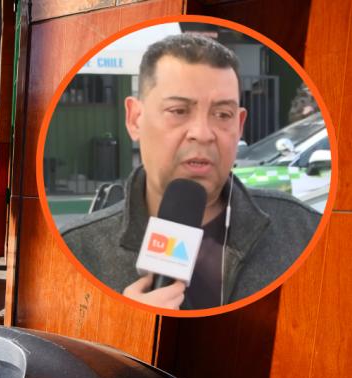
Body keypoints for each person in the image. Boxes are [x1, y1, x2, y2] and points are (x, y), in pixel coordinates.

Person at [60, 34, 321, 311]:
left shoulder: (304, 234)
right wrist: (121, 324)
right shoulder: (78, 250)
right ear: (135, 119)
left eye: (222, 115)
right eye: (179, 110)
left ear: (240, 123)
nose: (203, 134)